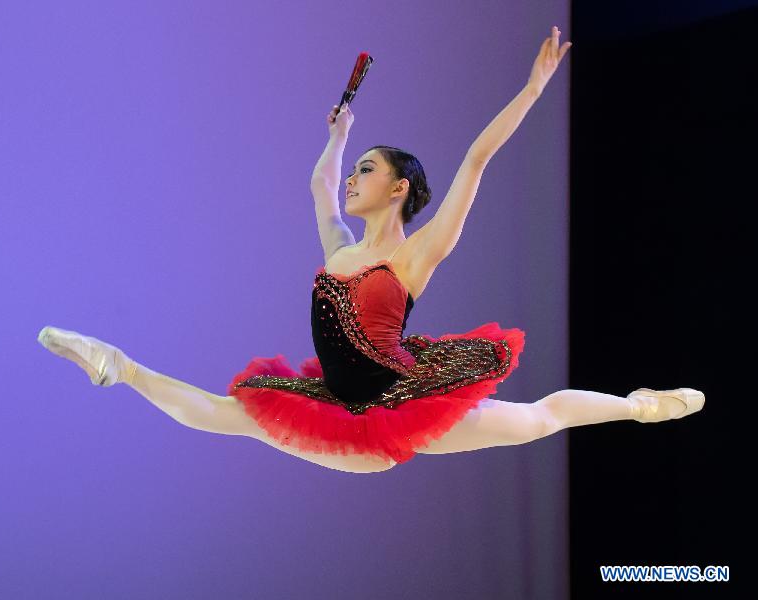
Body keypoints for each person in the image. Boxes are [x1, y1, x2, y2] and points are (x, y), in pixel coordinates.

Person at [38, 26, 704, 473]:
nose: (353, 179)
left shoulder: (416, 257)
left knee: (535, 418)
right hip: (333, 405)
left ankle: (641, 405)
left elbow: (476, 160)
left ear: (398, 189)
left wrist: (532, 89)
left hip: (397, 409)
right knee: (225, 414)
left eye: (366, 170)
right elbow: (319, 189)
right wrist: (339, 137)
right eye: (355, 170)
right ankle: (117, 366)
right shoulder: (340, 249)